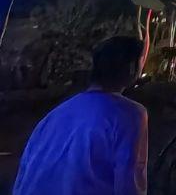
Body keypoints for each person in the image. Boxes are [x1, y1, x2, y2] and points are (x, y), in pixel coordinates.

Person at [13, 35, 148, 195]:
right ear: (131, 68)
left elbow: (24, 174)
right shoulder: (129, 114)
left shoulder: (55, 115)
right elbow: (129, 182)